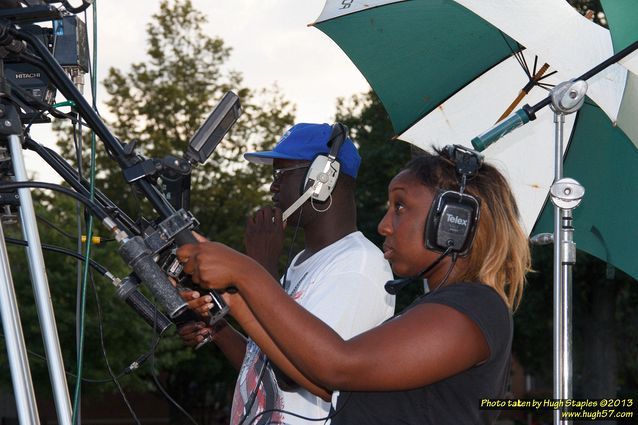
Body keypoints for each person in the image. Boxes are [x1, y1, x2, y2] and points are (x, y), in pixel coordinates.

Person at [177, 146, 532, 424]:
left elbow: (339, 365)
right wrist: (234, 300)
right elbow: (320, 379)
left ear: (453, 221)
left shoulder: (473, 310)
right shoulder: (435, 310)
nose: (384, 225)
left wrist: (247, 272)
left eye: (400, 207)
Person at [178, 122, 395, 424]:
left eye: (281, 174)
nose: (272, 187)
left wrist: (257, 269)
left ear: (322, 179)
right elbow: (263, 364)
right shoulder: (302, 262)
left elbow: (299, 374)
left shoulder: (357, 265)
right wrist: (219, 330)